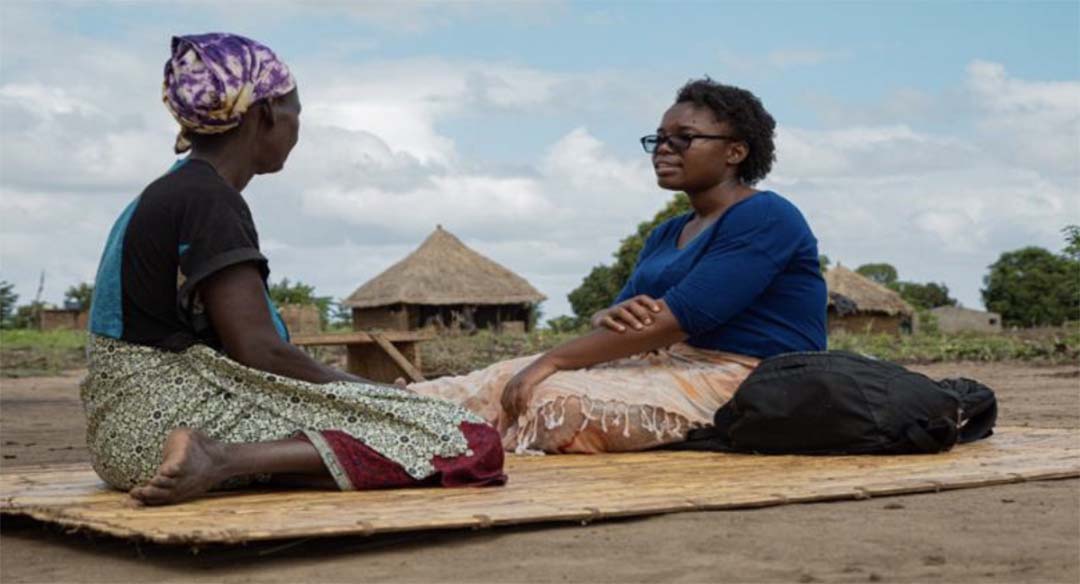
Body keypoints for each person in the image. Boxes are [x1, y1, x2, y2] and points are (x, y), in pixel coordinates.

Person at [81, 33, 505, 506]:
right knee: (467, 440)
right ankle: (220, 459)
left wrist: (372, 399)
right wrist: (380, 395)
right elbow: (260, 351)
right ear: (265, 114)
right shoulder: (209, 201)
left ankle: (230, 460)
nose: (296, 128)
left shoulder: (174, 190)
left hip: (121, 435)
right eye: (295, 112)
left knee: (391, 432)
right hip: (160, 429)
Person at [412, 78, 827, 453]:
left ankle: (445, 450)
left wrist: (551, 360)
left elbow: (680, 318)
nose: (664, 148)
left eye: (684, 138)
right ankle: (373, 418)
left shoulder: (767, 216)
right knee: (481, 383)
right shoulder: (666, 234)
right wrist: (602, 314)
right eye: (659, 138)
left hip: (741, 378)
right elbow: (621, 320)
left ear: (735, 151)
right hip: (662, 364)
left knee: (552, 401)